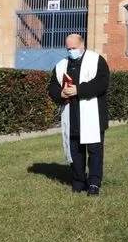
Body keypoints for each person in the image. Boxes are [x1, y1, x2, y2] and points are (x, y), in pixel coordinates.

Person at [47, 33, 110, 196]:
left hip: (92, 114)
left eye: (73, 48)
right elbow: (53, 85)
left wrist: (79, 90)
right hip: (71, 114)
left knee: (95, 150)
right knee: (75, 150)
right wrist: (60, 94)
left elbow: (102, 83)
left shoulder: (97, 60)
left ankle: (94, 183)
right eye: (68, 48)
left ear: (82, 46)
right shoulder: (61, 65)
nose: (70, 51)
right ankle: (78, 181)